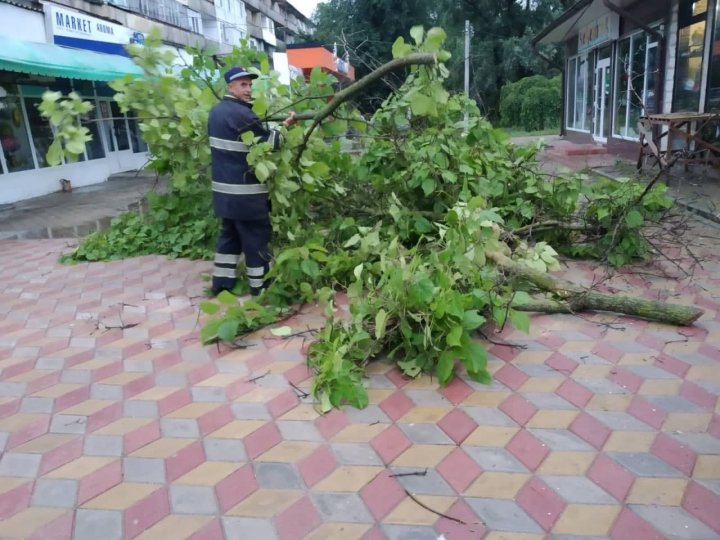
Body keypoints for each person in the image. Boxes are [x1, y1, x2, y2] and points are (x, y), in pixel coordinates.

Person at [208, 66, 296, 296]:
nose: (248, 90)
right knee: (256, 238)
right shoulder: (242, 114)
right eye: (243, 85)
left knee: (230, 236)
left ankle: (222, 284)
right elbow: (270, 144)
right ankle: (261, 287)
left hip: (224, 193)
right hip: (245, 194)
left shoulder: (216, 112)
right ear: (230, 87)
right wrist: (284, 127)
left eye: (250, 84)